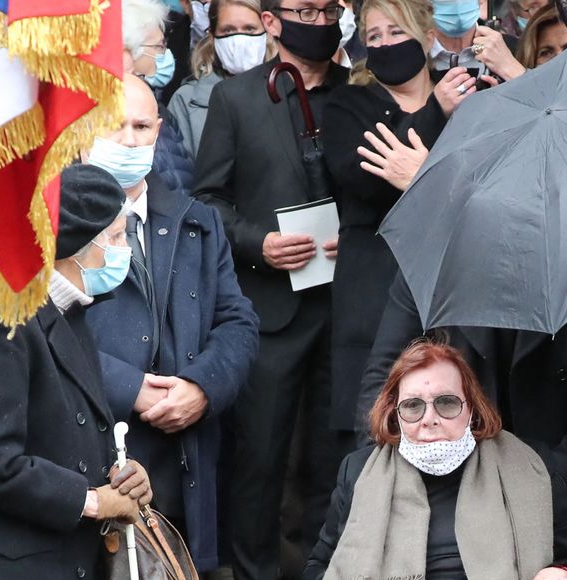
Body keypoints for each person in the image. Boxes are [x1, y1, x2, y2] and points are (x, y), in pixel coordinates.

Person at [192, 0, 351, 576]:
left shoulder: (357, 93)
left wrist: (355, 237)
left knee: (334, 457)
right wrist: (258, 243)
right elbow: (207, 198)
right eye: (305, 9)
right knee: (259, 459)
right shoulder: (236, 98)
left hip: (344, 309)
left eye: (329, 8)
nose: (320, 20)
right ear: (271, 21)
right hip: (269, 308)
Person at [85, 74, 259, 574]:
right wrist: (130, 387)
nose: (129, 139)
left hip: (186, 466)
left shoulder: (197, 220)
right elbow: (40, 330)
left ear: (160, 130)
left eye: (141, 126)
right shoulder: (51, 225)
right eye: (113, 125)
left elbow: (238, 322)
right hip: (96, 468)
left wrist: (202, 387)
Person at [322, 0, 494, 439]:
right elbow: (361, 174)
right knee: (368, 428)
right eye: (373, 35)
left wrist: (419, 174)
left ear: (428, 37)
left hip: (455, 286)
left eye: (395, 32)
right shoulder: (349, 103)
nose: (384, 44)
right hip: (372, 292)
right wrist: (435, 111)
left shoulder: (469, 97)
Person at [0, 164, 153, 580]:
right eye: (115, 237)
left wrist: (121, 475)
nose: (125, 249)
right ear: (76, 245)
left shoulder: (71, 311)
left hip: (73, 558)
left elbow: (72, 435)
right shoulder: (7, 321)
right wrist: (93, 501)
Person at [355, 270, 567, 565]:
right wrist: (382, 473)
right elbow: (384, 378)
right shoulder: (433, 267)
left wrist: (553, 477)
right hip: (448, 472)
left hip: (550, 477)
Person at [304, 341, 562, 580]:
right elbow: (318, 565)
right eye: (413, 406)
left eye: (446, 403)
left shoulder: (530, 465)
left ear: (472, 408)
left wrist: (561, 572)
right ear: (395, 415)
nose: (429, 418)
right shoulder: (357, 471)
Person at [168, 0, 276, 160]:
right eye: (228, 30)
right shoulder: (186, 100)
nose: (240, 39)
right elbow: (180, 174)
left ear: (267, 32)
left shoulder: (287, 91)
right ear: (212, 36)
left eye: (249, 29)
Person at [123, 0, 194, 194]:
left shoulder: (159, 109)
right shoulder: (111, 113)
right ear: (130, 50)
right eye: (159, 47)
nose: (165, 54)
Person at [430, 0, 525, 82]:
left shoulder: (516, 50)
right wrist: (436, 102)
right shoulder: (417, 54)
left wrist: (510, 70)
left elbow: (535, 98)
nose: (457, 2)